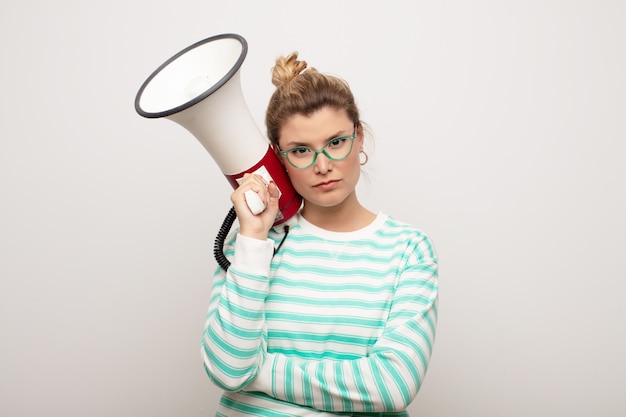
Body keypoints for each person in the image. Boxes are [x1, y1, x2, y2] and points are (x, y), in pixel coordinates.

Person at [202, 51, 439, 416]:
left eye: (335, 142)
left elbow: (391, 386)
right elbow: (226, 367)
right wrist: (252, 239)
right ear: (277, 159)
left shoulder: (408, 249)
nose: (323, 165)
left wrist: (257, 372)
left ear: (359, 139)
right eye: (300, 151)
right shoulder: (252, 243)